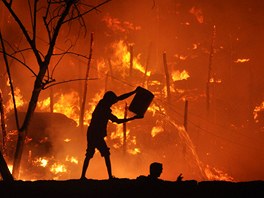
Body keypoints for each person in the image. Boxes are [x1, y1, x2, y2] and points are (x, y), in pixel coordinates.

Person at [80, 88, 142, 180]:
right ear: (109, 100)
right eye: (112, 101)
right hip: (96, 134)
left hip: (92, 132)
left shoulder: (102, 103)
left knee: (90, 154)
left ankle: (83, 177)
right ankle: (109, 177)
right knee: (105, 154)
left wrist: (134, 92)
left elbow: (120, 98)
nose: (114, 103)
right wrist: (133, 118)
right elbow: (117, 121)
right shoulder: (105, 110)